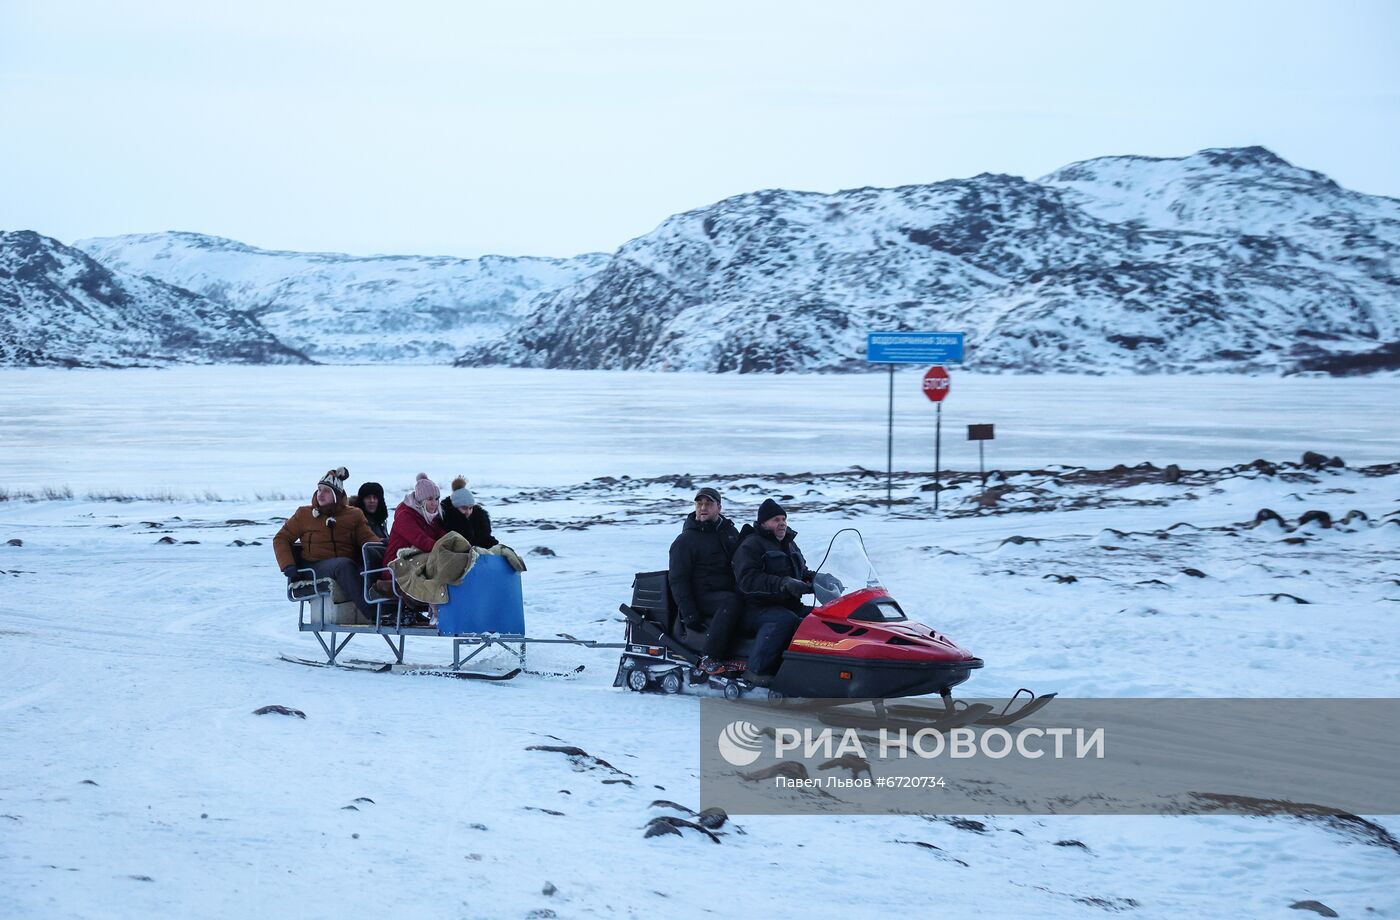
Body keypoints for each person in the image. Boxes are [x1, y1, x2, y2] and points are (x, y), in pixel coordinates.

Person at [273, 467, 381, 622]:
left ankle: (400, 609)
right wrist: (287, 565)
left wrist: (386, 547)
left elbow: (368, 539)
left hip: (345, 565)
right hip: (314, 566)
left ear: (337, 495)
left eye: (326, 491)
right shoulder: (304, 514)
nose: (320, 494)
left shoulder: (353, 515)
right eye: (319, 490)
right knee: (343, 565)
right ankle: (375, 614)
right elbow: (281, 538)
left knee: (373, 563)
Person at [732, 498, 814, 686]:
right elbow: (747, 579)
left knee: (817, 617)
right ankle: (756, 671)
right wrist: (782, 583)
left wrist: (818, 579)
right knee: (784, 620)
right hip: (755, 607)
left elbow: (802, 572)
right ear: (763, 523)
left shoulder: (789, 544)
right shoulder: (751, 545)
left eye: (784, 519)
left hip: (789, 604)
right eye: (776, 519)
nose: (782, 523)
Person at [667, 487, 744, 674]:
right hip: (701, 596)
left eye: (708, 503)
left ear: (719, 507)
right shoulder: (685, 541)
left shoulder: (729, 532)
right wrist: (689, 613)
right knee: (732, 601)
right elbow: (678, 580)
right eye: (699, 503)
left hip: (727, 591)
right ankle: (710, 657)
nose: (703, 507)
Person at [383, 473, 448, 567]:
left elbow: (441, 535)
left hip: (417, 562)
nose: (435, 503)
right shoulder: (405, 516)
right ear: (421, 500)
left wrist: (453, 543)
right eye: (430, 499)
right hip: (396, 565)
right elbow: (421, 540)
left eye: (437, 499)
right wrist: (444, 549)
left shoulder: (432, 517)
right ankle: (385, 582)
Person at [440, 475, 499, 549]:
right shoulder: (448, 521)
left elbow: (485, 538)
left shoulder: (479, 519)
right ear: (455, 507)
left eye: (470, 508)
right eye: (464, 508)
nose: (468, 512)